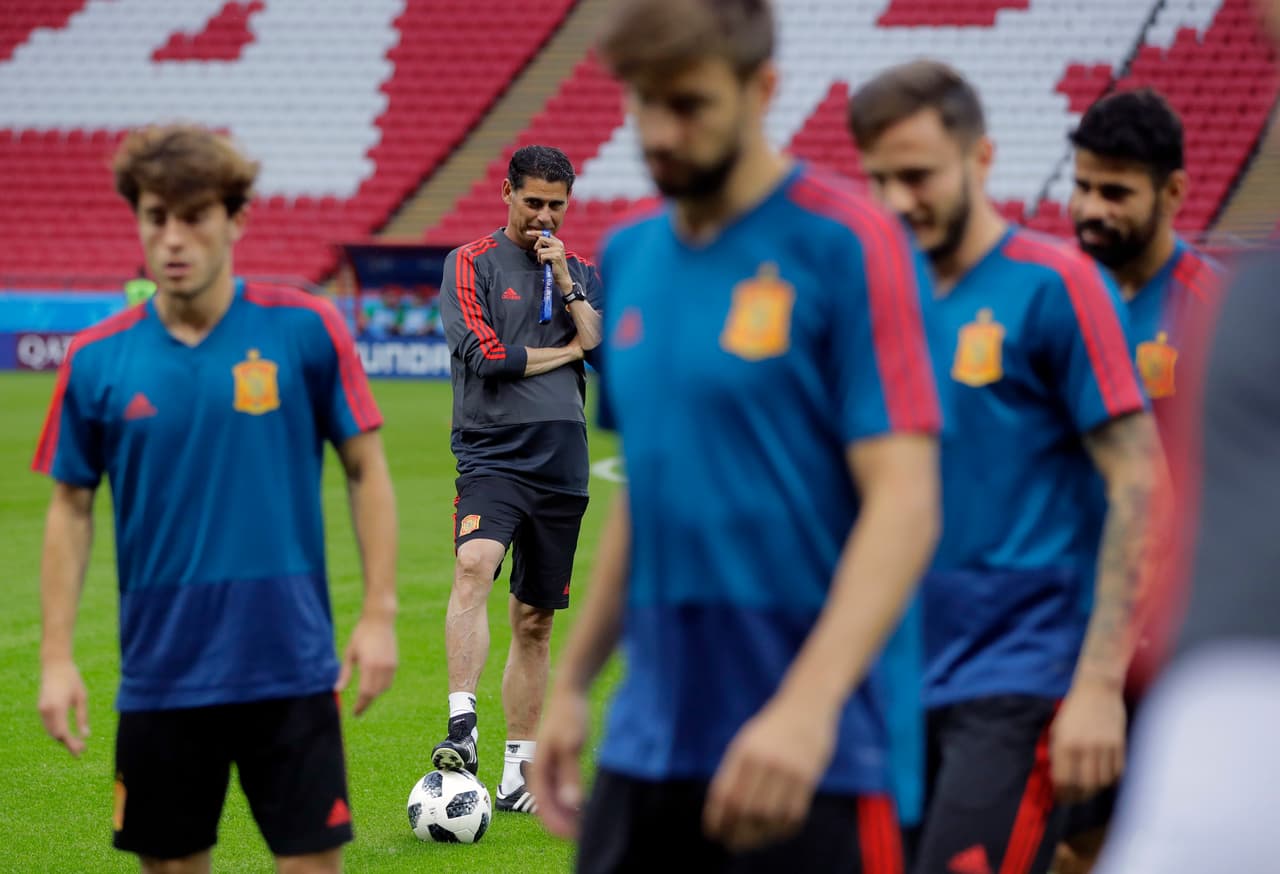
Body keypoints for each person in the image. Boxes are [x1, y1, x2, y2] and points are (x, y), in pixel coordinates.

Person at [533, 2, 944, 871]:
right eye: (642, 104)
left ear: (763, 89)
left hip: (815, 755)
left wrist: (807, 707)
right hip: (651, 743)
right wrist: (570, 686)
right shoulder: (633, 255)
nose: (658, 132)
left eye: (688, 104)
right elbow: (649, 497)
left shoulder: (850, 244)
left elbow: (905, 504)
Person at [33, 124, 398, 874]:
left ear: (236, 219)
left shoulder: (305, 328)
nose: (172, 238)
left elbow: (367, 468)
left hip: (290, 665)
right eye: (155, 216)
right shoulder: (97, 359)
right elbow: (71, 507)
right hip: (161, 671)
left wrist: (378, 613)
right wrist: (55, 656)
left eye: (194, 216)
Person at [849, 61, 1157, 874]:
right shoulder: (872, 297)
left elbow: (1140, 483)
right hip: (891, 679)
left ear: (980, 160)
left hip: (1020, 681)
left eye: (916, 176)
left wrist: (1097, 685)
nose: (895, 201)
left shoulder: (1059, 285)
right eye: (877, 179)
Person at [1059, 87, 1224, 873]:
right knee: (1057, 840)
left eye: (1116, 192)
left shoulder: (1216, 310)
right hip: (1059, 622)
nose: (1092, 207)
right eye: (1083, 185)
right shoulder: (1053, 297)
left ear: (1175, 192)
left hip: (1173, 637)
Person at [432, 144, 603, 814]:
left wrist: (568, 285)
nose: (542, 216)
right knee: (475, 563)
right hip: (492, 453)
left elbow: (606, 348)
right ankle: (462, 726)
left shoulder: (578, 268)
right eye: (532, 201)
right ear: (506, 193)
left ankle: (518, 774)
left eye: (555, 205)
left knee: (535, 620)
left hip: (563, 463)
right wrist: (569, 351)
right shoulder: (469, 262)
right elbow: (489, 359)